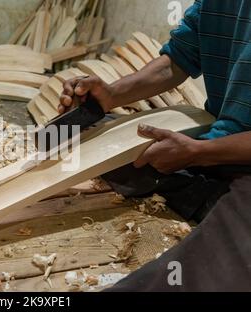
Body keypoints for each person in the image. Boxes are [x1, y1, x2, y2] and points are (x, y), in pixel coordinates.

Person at [59, 0, 251, 291]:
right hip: (213, 143)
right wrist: (111, 95)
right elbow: (178, 58)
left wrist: (198, 153)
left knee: (218, 263)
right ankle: (206, 192)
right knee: (101, 142)